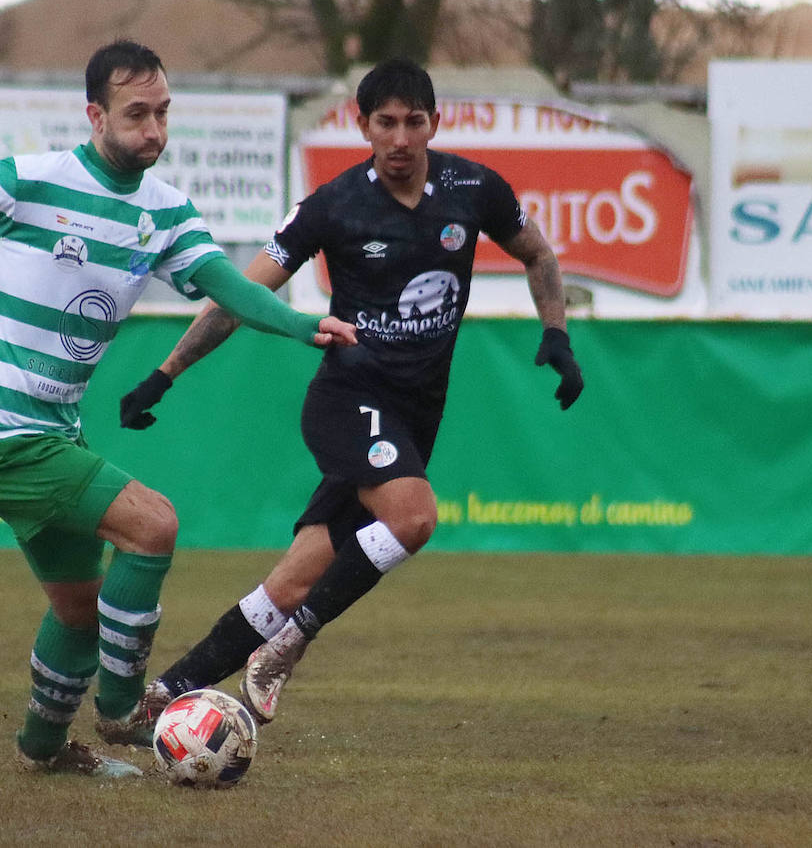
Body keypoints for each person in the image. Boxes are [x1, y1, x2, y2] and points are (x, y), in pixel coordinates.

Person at [0, 40, 357, 776]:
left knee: (78, 613)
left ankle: (44, 750)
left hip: (49, 432)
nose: (153, 131)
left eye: (162, 113)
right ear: (95, 115)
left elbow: (226, 282)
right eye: (135, 115)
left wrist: (299, 323)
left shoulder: (164, 211)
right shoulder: (31, 181)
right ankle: (123, 710)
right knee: (153, 525)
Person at [117, 57, 584, 726]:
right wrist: (166, 372)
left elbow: (538, 252)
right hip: (348, 402)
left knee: (293, 579)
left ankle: (156, 700)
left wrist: (557, 335)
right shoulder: (333, 206)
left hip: (415, 417)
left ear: (433, 124)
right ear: (361, 125)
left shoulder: (474, 189)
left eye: (413, 122)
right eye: (385, 123)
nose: (399, 138)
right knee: (415, 518)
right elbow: (241, 295)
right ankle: (287, 647)